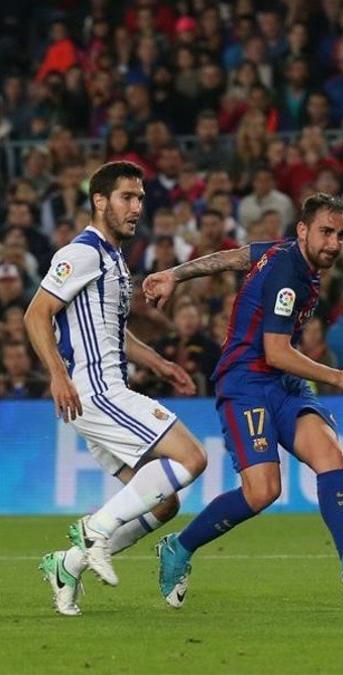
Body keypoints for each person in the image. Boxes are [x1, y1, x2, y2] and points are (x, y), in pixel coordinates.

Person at [142, 193, 343, 607]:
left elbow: (235, 257)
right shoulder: (289, 274)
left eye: (341, 234)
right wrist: (338, 376)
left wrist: (176, 273)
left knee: (329, 453)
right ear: (303, 229)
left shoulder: (285, 252)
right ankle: (179, 546)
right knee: (262, 491)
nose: (334, 243)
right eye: (326, 232)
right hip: (246, 382)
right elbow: (276, 351)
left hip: (282, 383)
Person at [25, 161, 208, 616]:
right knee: (192, 457)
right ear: (99, 201)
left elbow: (113, 333)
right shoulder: (82, 252)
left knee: (164, 504)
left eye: (141, 199)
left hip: (102, 392)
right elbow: (35, 314)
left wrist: (160, 362)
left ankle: (66, 565)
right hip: (96, 391)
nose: (136, 208)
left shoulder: (113, 260)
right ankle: (93, 532)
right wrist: (57, 375)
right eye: (127, 197)